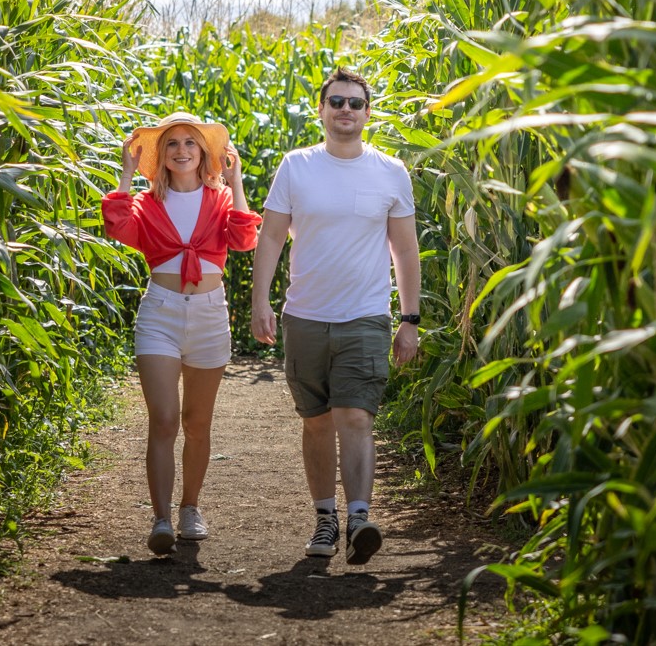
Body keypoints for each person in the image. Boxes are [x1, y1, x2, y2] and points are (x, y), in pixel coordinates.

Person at [250, 67, 421, 566]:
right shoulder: (296, 166)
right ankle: (326, 518)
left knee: (355, 417)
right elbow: (271, 237)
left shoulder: (391, 171)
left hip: (366, 317)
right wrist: (261, 300)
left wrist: (408, 318)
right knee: (318, 422)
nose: (346, 110)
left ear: (369, 113)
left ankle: (361, 518)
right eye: (337, 102)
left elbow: (405, 251)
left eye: (355, 103)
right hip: (304, 317)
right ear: (322, 111)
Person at [102, 111, 261, 556]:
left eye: (191, 143)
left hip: (210, 315)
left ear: (204, 153)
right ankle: (161, 518)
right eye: (172, 144)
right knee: (166, 420)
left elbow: (245, 239)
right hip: (161, 314)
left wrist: (238, 180)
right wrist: (127, 173)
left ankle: (191, 507)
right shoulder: (146, 204)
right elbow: (118, 225)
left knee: (197, 422)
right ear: (162, 157)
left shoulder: (222, 198)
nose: (182, 150)